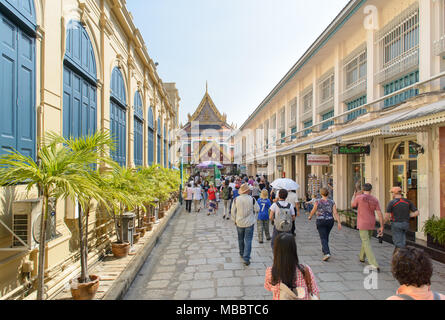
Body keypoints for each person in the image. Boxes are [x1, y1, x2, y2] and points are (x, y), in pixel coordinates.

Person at [264, 233, 320, 300]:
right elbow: (315, 292)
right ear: (294, 249)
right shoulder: (304, 270)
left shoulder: (271, 272)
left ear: (276, 251)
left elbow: (268, 287)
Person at [351, 183, 384, 271]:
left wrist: (354, 196)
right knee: (366, 240)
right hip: (371, 222)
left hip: (362, 222)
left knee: (366, 242)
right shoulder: (375, 199)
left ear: (363, 189)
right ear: (371, 190)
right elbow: (379, 213)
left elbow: (353, 205)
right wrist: (381, 225)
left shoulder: (359, 197)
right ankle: (362, 256)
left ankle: (374, 263)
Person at [308, 188, 341, 261]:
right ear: (328, 194)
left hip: (321, 220)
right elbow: (335, 213)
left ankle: (327, 253)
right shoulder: (332, 202)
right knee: (326, 236)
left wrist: (310, 216)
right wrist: (339, 222)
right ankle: (324, 249)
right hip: (330, 221)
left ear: (321, 194)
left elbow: (314, 209)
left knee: (323, 237)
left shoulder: (318, 201)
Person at [231, 183, 260, 266]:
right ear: (247, 191)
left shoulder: (236, 199)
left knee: (240, 239)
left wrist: (234, 220)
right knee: (248, 240)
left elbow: (233, 211)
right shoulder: (252, 199)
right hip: (249, 222)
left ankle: (241, 253)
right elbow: (257, 209)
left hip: (239, 222)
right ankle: (246, 258)